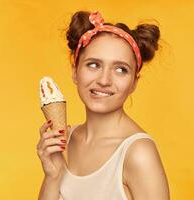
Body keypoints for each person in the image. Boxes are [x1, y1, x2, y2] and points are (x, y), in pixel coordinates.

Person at [37, 10, 170, 200]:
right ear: (75, 71)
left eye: (121, 69)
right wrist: (53, 176)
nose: (104, 80)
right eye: (93, 65)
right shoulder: (65, 141)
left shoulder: (139, 153)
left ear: (134, 82)